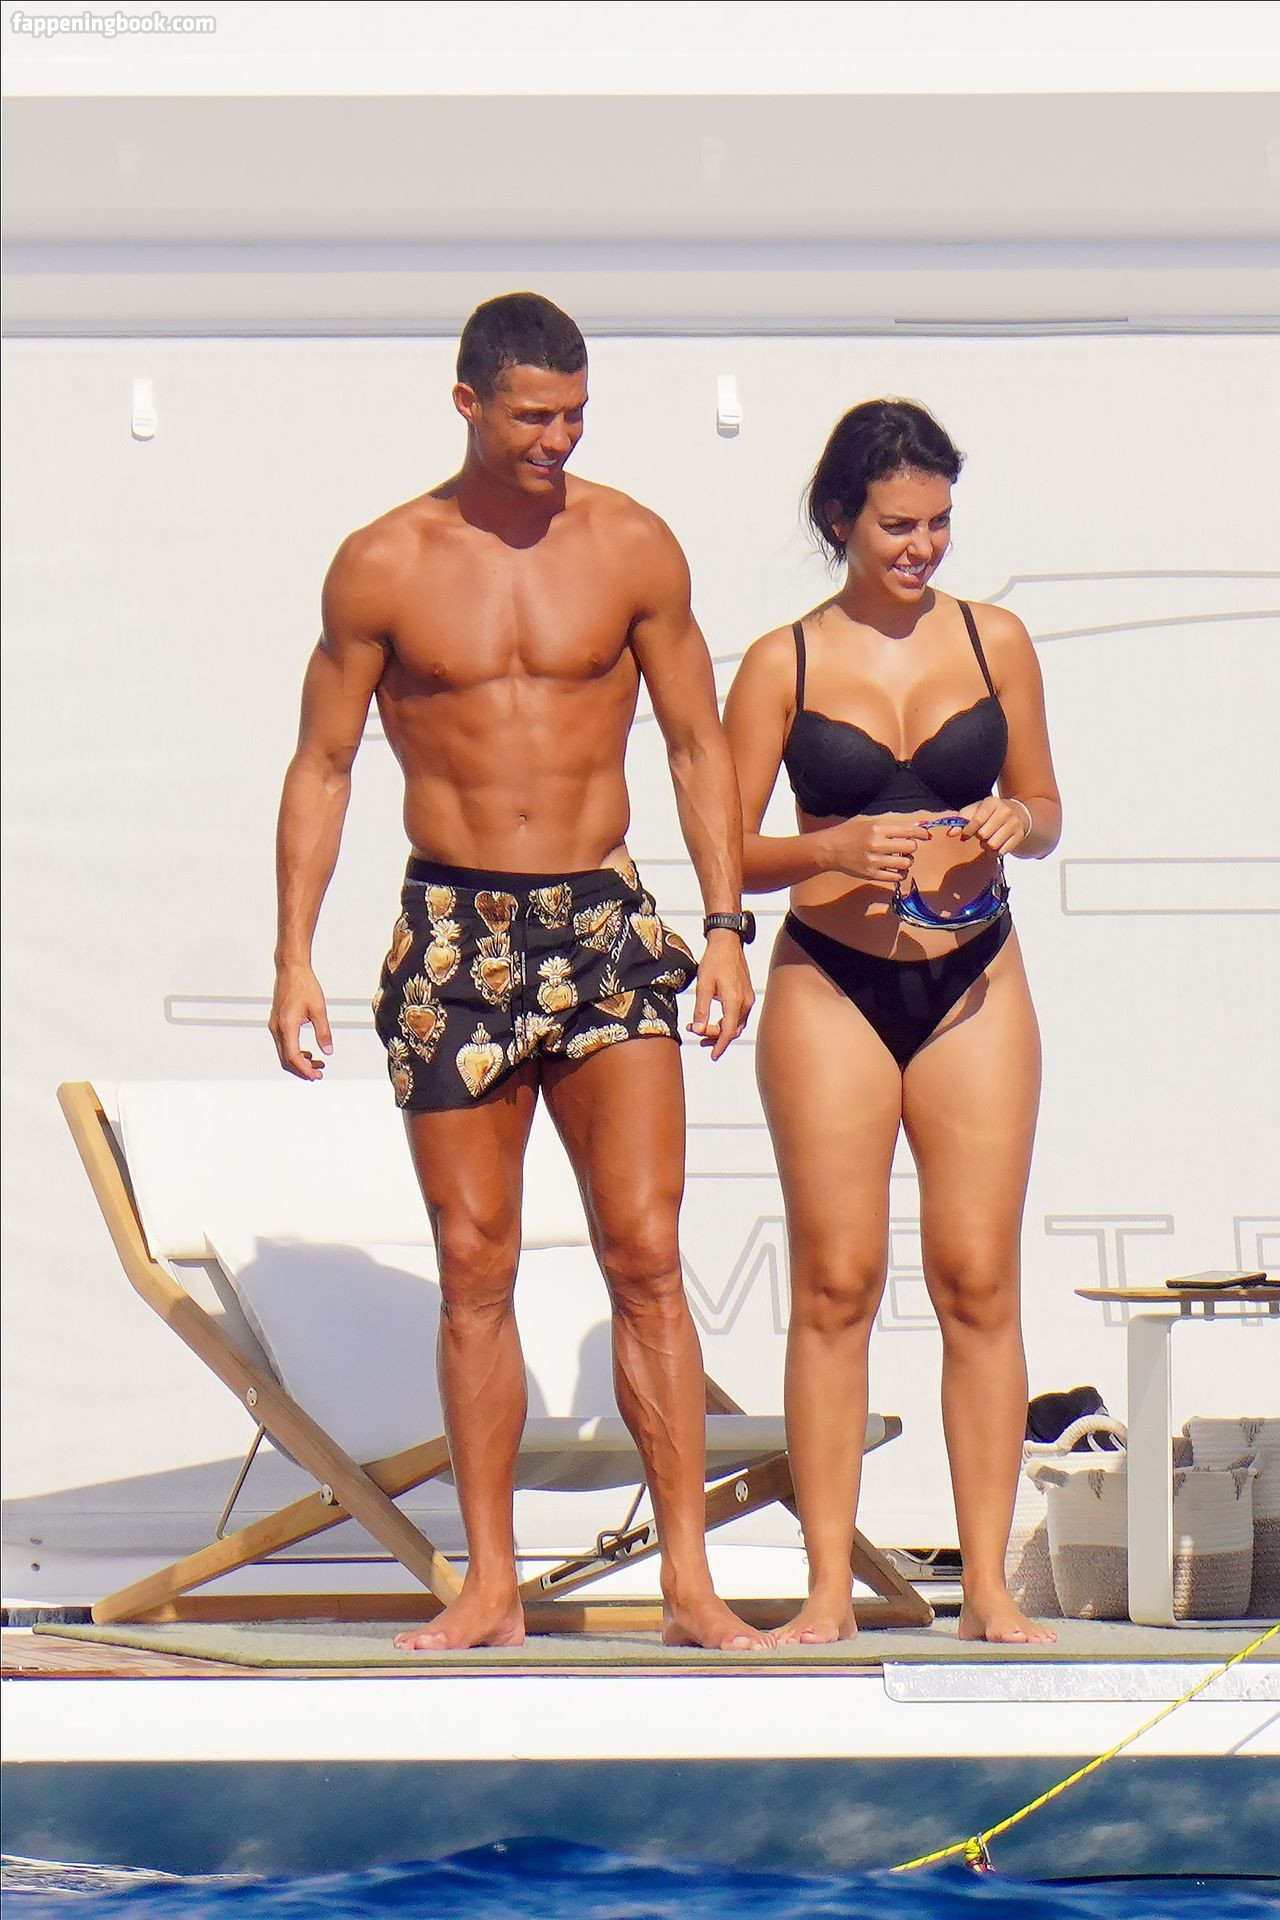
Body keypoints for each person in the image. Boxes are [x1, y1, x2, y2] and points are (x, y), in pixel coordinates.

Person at [269, 292, 767, 1653]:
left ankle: (689, 1584)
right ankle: (489, 1586)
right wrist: (293, 954)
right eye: (533, 417)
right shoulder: (383, 563)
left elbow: (696, 743)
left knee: (645, 1251)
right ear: (468, 403)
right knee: (473, 1262)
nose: (557, 440)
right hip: (455, 933)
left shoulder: (631, 543)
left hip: (602, 923)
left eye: (575, 416)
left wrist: (727, 926)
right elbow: (324, 764)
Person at [723, 399, 1062, 1645]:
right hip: (831, 980)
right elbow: (722, 848)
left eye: (937, 524)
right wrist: (827, 847)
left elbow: (1043, 802)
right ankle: (828, 1588)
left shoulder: (993, 639)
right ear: (838, 520)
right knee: (835, 1282)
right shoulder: (783, 662)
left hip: (974, 977)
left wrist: (1015, 821)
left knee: (977, 1277)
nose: (921, 548)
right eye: (896, 526)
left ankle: (986, 1588)